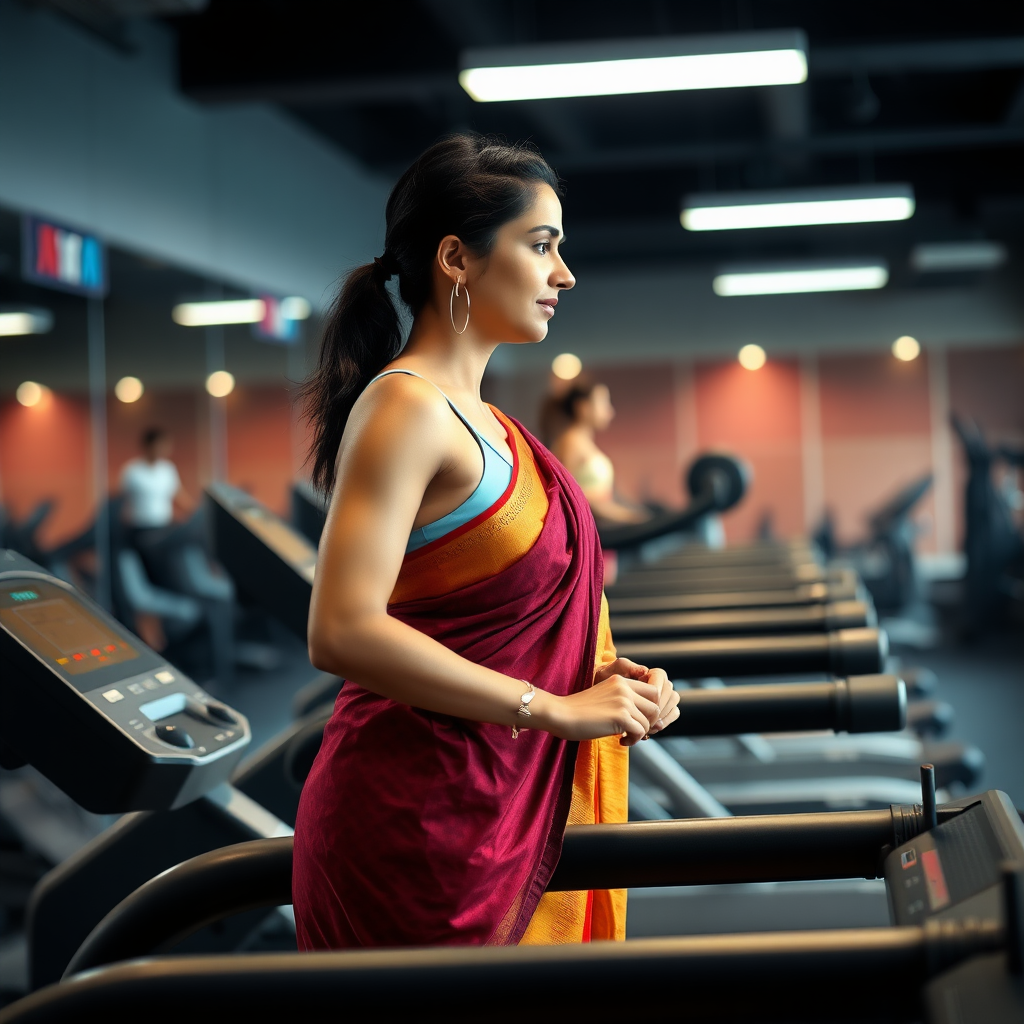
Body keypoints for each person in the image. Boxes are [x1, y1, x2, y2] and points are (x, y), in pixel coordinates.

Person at [292, 134, 680, 951]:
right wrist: (554, 706)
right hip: (416, 828)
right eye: (541, 245)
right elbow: (341, 629)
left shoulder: (495, 424)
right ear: (456, 259)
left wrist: (600, 677)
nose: (564, 273)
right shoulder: (406, 408)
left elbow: (500, 621)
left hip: (490, 801)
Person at [119, 427, 193, 554]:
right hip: (139, 529)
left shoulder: (168, 469)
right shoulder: (132, 470)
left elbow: (179, 496)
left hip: (163, 527)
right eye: (160, 444)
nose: (164, 448)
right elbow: (122, 501)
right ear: (148, 445)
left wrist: (196, 513)